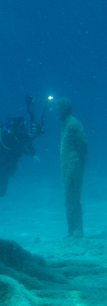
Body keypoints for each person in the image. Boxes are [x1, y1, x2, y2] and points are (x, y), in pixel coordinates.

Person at [55, 98, 88, 237]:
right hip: (69, 166)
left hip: (73, 166)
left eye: (58, 109)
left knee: (73, 197)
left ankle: (78, 229)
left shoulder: (73, 124)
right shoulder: (67, 124)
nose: (56, 111)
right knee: (69, 198)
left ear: (64, 109)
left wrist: (79, 164)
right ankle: (72, 229)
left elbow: (83, 145)